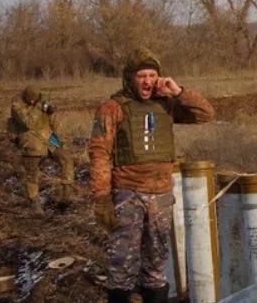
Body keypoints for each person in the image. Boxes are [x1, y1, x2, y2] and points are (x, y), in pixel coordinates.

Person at [88, 48, 214, 303]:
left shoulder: (166, 104)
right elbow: (99, 152)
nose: (147, 81)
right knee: (122, 262)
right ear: (129, 78)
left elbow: (205, 114)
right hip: (128, 194)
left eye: (152, 75)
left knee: (156, 264)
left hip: (161, 195)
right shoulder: (113, 108)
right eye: (141, 75)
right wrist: (101, 198)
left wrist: (178, 92)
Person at [8, 85, 75, 211]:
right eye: (31, 99)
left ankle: (66, 196)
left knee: (67, 159)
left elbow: (51, 120)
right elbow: (28, 122)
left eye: (36, 99)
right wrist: (39, 107)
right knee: (32, 174)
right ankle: (35, 205)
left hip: (48, 138)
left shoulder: (42, 101)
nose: (33, 101)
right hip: (30, 141)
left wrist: (59, 138)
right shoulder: (16, 106)